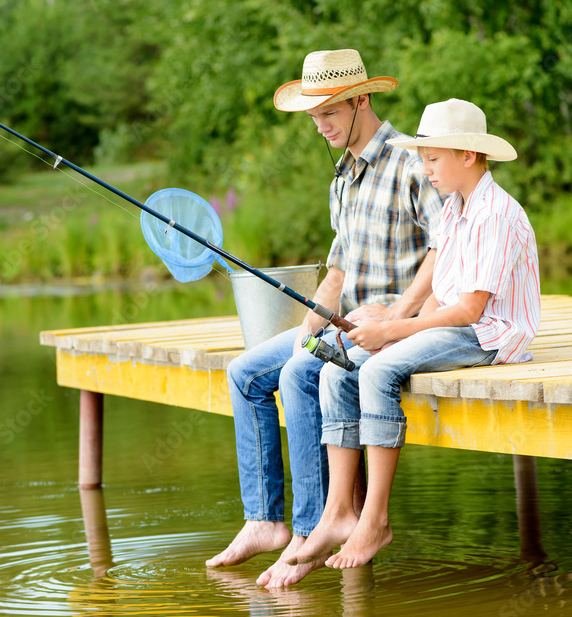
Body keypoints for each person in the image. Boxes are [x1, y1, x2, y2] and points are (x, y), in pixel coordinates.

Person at [206, 49, 445, 588]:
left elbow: (444, 247)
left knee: (299, 376)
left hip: (389, 327)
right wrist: (311, 327)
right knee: (245, 374)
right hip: (342, 324)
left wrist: (400, 314)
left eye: (329, 112)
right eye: (314, 115)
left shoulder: (410, 163)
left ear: (362, 99)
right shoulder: (342, 177)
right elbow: (337, 268)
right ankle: (265, 520)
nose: (320, 125)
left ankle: (312, 527)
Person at [289, 98, 541, 570]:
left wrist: (392, 331)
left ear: (467, 155)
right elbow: (440, 294)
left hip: (490, 336)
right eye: (422, 159)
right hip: (459, 324)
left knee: (378, 370)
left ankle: (375, 520)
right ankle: (339, 510)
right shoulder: (454, 210)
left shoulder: (495, 213)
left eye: (432, 158)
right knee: (337, 371)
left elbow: (470, 309)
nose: (424, 169)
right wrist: (391, 328)